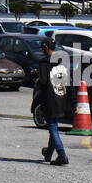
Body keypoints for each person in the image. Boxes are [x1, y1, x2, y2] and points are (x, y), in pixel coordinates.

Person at [33, 37, 70, 165]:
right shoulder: (62, 62)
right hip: (61, 96)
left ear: (46, 48)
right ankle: (49, 152)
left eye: (43, 48)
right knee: (53, 125)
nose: (42, 50)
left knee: (53, 128)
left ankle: (61, 154)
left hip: (49, 98)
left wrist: (37, 79)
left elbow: (43, 82)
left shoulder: (44, 63)